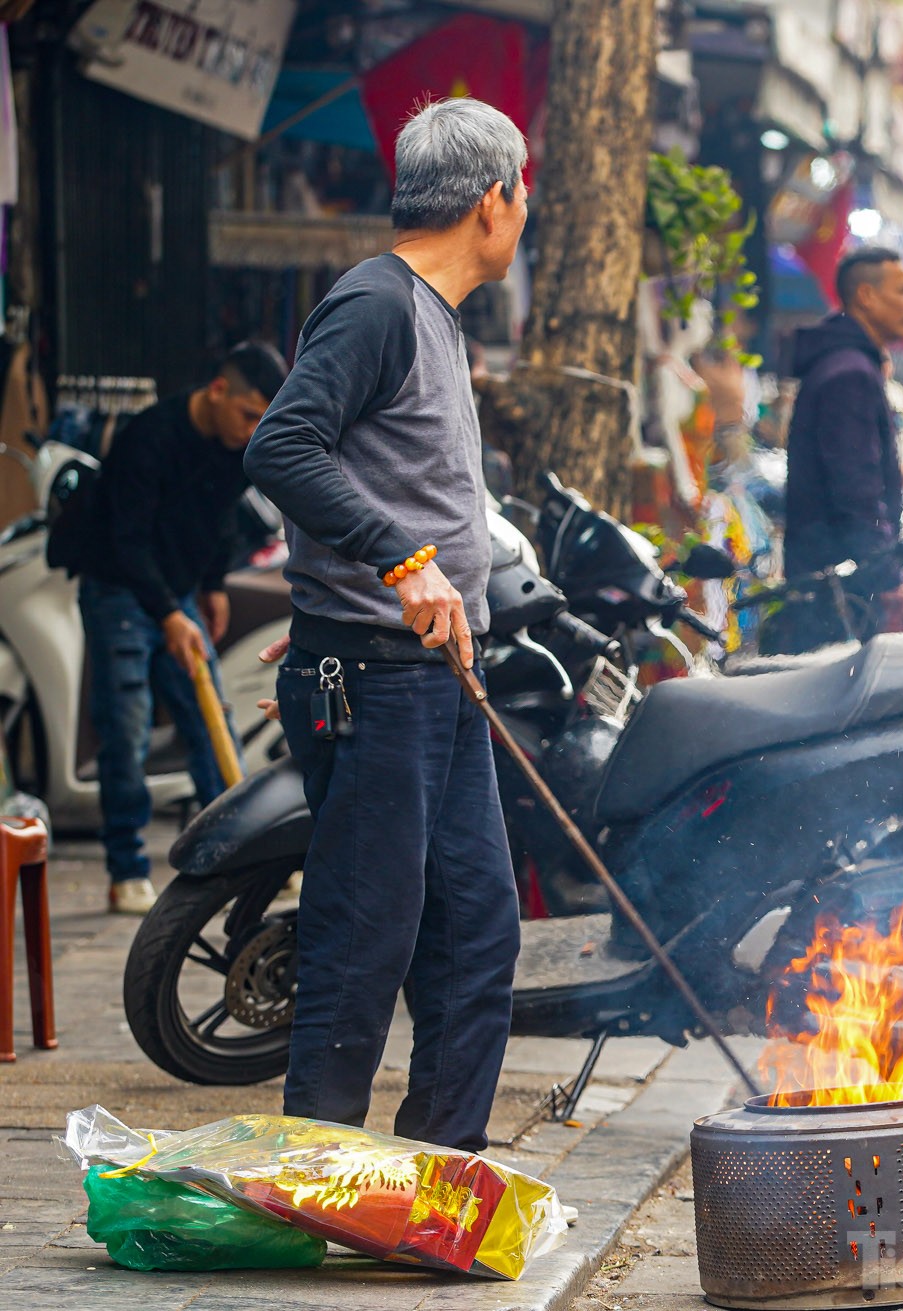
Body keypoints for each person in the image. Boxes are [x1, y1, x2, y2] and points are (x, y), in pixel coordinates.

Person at [242, 98, 530, 1153]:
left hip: (433, 678)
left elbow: (367, 470)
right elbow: (282, 449)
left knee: (476, 933)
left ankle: (436, 1177)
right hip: (375, 686)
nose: (524, 209)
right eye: (523, 190)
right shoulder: (374, 303)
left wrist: (357, 580)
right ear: (493, 198)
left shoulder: (434, 316)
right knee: (363, 941)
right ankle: (313, 1180)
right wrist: (398, 564)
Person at [64, 342, 288, 914]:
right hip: (119, 590)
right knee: (127, 728)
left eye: (263, 421)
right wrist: (167, 613)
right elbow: (126, 539)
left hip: (179, 594)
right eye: (247, 415)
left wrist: (209, 586)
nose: (251, 431)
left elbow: (217, 524)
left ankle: (243, 855)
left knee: (207, 718)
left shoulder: (233, 450)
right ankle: (126, 868)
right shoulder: (149, 436)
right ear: (217, 391)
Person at [779, 247, 903, 649]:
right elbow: (856, 487)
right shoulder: (849, 375)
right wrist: (884, 575)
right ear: (866, 296)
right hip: (839, 592)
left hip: (833, 581)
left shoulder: (849, 365)